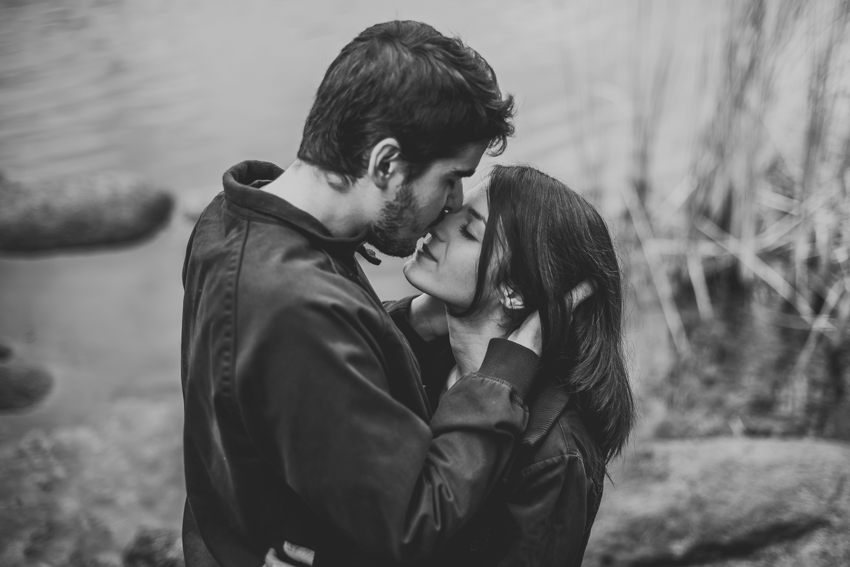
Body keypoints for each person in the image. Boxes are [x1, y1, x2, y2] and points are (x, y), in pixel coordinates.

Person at [181, 21, 553, 567]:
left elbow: (292, 395)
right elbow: (413, 522)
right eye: (451, 178)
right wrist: (503, 376)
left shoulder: (233, 223)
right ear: (385, 163)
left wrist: (409, 322)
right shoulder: (293, 304)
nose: (453, 203)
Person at [388, 164, 637, 566]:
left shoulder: (553, 452)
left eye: (469, 231)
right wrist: (410, 320)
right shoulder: (421, 356)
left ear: (514, 292)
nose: (438, 224)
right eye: (454, 214)